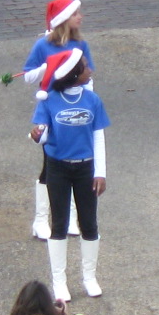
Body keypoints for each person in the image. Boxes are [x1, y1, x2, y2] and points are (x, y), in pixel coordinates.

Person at [31, 48, 108, 299]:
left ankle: (89, 277)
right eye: (85, 67)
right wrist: (37, 135)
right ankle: (59, 282)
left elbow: (98, 137)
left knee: (89, 223)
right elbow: (42, 134)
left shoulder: (92, 99)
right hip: (58, 168)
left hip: (86, 168)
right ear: (74, 74)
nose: (90, 70)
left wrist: (101, 172)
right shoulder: (49, 100)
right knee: (60, 223)